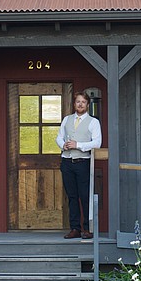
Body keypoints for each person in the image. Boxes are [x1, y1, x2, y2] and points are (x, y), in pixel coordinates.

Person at [56, 91, 102, 239]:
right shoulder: (66, 119)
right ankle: (75, 228)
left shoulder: (93, 122)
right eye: (78, 102)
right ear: (74, 104)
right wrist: (64, 145)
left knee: (85, 196)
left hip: (83, 162)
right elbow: (59, 137)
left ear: (87, 104)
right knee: (72, 196)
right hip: (67, 162)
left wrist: (78, 145)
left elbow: (97, 143)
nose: (80, 104)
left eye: (83, 102)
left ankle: (88, 229)